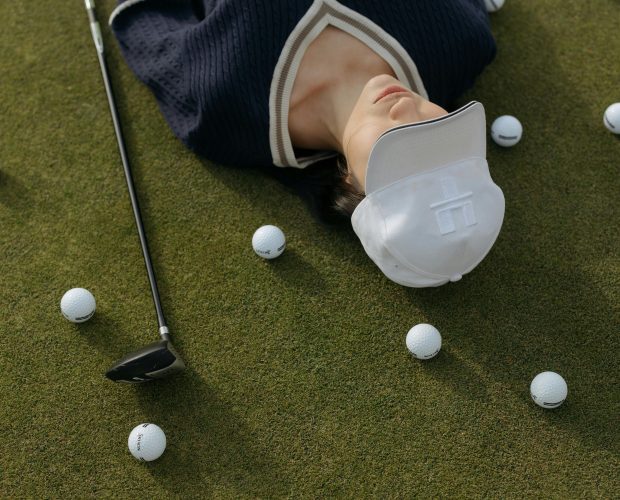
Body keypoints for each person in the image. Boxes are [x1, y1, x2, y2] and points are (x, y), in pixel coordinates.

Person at [110, 0, 506, 287]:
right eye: (440, 132)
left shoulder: (221, 110)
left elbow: (145, 19)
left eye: (399, 146)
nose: (407, 113)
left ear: (352, 185)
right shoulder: (458, 39)